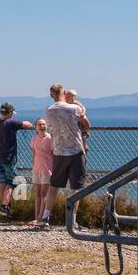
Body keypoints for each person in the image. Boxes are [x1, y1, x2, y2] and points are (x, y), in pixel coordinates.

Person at [38, 82, 91, 229]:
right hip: (75, 150)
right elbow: (87, 125)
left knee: (54, 185)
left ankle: (45, 217)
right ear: (63, 92)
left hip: (58, 151)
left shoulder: (48, 110)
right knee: (76, 187)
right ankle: (72, 220)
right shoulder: (74, 108)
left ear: (51, 95)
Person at [0, 102, 33, 217]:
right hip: (9, 158)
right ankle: (5, 206)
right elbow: (28, 124)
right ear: (10, 113)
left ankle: (5, 205)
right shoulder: (11, 123)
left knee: (2, 182)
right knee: (12, 182)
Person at [29, 117, 54, 226]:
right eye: (39, 124)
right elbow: (34, 154)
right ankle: (36, 217)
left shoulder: (50, 139)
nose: (42, 126)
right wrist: (33, 166)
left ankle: (41, 218)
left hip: (47, 169)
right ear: (36, 127)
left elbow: (54, 155)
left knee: (44, 194)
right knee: (37, 194)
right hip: (37, 169)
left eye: (44, 124)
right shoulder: (34, 139)